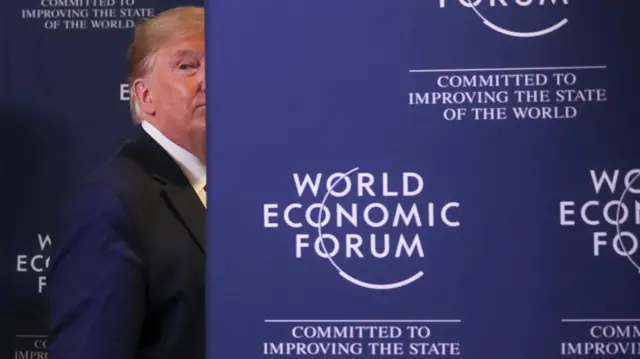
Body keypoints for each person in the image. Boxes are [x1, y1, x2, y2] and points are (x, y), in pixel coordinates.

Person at [47, 6, 207, 359]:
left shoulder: (255, 191)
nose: (208, 80)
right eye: (187, 66)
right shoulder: (110, 202)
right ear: (144, 96)